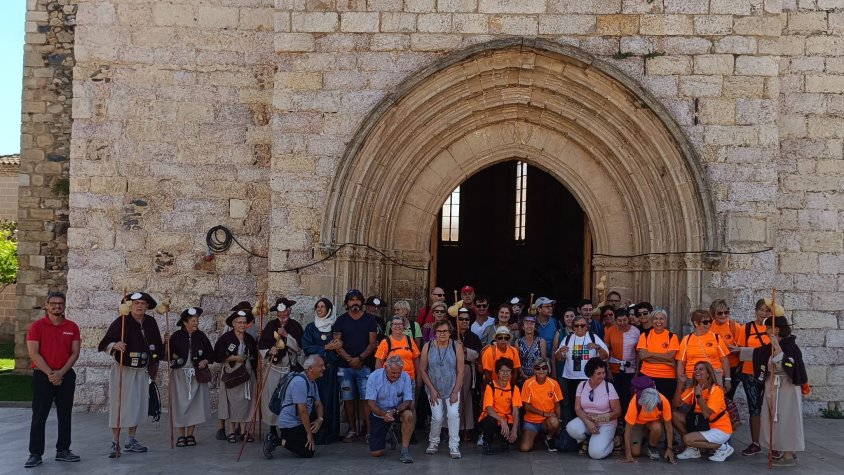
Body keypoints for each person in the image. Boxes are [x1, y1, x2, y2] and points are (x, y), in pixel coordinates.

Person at [98, 291, 163, 458]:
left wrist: (164, 346)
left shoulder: (151, 323)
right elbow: (105, 342)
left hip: (141, 371)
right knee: (120, 405)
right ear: (130, 306)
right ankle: (115, 442)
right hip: (123, 370)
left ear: (147, 306)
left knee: (136, 405)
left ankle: (131, 440)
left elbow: (156, 346)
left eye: (143, 303)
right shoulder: (122, 321)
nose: (139, 306)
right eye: (136, 303)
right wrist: (115, 344)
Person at [25, 291, 81, 468]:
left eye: (61, 304)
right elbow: (33, 353)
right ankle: (35, 454)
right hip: (43, 376)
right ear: (47, 305)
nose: (57, 306)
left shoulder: (72, 327)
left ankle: (63, 450)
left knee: (65, 414)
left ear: (64, 306)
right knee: (39, 415)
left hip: (65, 375)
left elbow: (75, 353)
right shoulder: (37, 326)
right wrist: (51, 373)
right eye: (54, 303)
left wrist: (60, 373)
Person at [757, 313, 807, 467]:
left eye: (768, 327)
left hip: (786, 388)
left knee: (787, 420)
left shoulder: (789, 346)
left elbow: (790, 365)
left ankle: (788, 456)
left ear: (776, 330)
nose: (766, 330)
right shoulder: (772, 345)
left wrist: (778, 348)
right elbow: (758, 355)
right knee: (776, 420)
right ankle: (787, 452)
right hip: (774, 387)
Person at [332, 289, 379, 443]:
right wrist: (350, 360)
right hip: (344, 367)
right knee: (348, 398)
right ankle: (352, 430)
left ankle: (369, 431)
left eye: (358, 300)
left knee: (367, 398)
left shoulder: (370, 320)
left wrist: (359, 358)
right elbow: (336, 344)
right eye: (352, 300)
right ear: (347, 303)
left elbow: (373, 344)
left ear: (362, 302)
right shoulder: (341, 320)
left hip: (364, 365)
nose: (355, 302)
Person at [259, 297, 304, 444]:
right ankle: (272, 428)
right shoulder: (270, 325)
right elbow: (261, 345)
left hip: (289, 368)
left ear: (289, 311)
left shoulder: (296, 326)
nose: (282, 315)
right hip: (274, 368)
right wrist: (269, 351)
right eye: (280, 313)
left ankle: (286, 427)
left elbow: (298, 346)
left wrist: (286, 336)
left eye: (285, 311)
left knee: (287, 399)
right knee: (272, 397)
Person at [167, 307, 214, 447]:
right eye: (193, 321)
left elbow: (210, 354)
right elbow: (166, 355)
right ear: (185, 322)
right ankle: (181, 435)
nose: (196, 323)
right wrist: (165, 343)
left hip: (196, 376)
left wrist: (205, 361)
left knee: (194, 405)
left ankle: (190, 434)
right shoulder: (175, 336)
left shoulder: (201, 336)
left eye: (197, 321)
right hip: (180, 376)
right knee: (180, 405)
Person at [419, 320, 464, 459]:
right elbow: (423, 369)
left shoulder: (456, 346)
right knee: (437, 417)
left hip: (452, 387)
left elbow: (460, 371)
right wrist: (431, 389)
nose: (442, 334)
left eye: (445, 331)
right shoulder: (428, 346)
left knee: (452, 415)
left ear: (450, 332)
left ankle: (454, 445)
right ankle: (433, 442)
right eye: (439, 331)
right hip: (434, 388)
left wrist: (456, 391)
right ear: (435, 333)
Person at [214, 308, 259, 443]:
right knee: (232, 403)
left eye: (244, 322)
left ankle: (245, 431)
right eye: (239, 322)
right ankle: (232, 430)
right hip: (232, 375)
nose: (242, 325)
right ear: (233, 324)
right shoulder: (226, 338)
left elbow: (255, 357)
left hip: (247, 374)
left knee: (246, 402)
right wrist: (233, 358)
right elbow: (217, 355)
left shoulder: (249, 339)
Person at [673, 361, 734, 462]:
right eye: (695, 369)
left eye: (701, 369)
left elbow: (706, 414)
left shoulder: (716, 390)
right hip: (702, 424)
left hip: (719, 429)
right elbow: (676, 404)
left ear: (708, 374)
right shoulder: (694, 388)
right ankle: (693, 449)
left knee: (687, 439)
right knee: (675, 415)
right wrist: (680, 384)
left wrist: (699, 396)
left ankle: (722, 447)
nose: (697, 371)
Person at [301, 298, 341, 445]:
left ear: (329, 309)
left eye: (322, 307)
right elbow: (306, 347)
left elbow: (340, 346)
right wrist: (324, 348)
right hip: (315, 373)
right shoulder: (311, 328)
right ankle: (316, 433)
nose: (319, 309)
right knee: (316, 400)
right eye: (317, 307)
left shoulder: (334, 328)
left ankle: (331, 433)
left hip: (330, 370)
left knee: (330, 400)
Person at [554, 315, 608, 422]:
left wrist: (597, 347)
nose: (579, 327)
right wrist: (560, 352)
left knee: (589, 404)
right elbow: (558, 358)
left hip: (589, 379)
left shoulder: (593, 337)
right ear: (573, 327)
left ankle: (590, 426)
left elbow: (605, 356)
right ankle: (575, 429)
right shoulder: (567, 338)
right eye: (576, 325)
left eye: (582, 325)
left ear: (587, 326)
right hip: (571, 378)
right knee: (574, 405)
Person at [735, 298, 772, 456]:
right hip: (750, 373)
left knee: (771, 408)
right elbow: (740, 350)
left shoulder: (773, 329)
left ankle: (774, 443)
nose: (764, 313)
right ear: (756, 311)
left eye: (767, 311)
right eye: (761, 310)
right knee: (754, 407)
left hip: (769, 373)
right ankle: (755, 442)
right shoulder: (747, 328)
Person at [271, 355, 326, 459]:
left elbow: (318, 404)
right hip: (290, 424)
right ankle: (277, 440)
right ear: (310, 368)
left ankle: (301, 439)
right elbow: (302, 411)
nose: (324, 368)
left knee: (326, 418)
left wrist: (320, 419)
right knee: (308, 452)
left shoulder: (313, 382)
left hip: (301, 421)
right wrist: (309, 434)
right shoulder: (299, 382)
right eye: (320, 365)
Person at [565, 358, 621, 459]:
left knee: (596, 454)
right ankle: (587, 440)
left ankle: (614, 441)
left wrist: (599, 418)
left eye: (604, 373)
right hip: (587, 420)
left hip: (606, 423)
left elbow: (617, 412)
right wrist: (589, 422)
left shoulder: (609, 387)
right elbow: (577, 409)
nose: (602, 376)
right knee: (571, 428)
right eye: (598, 373)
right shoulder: (582, 385)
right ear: (590, 374)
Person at [366, 355, 416, 463]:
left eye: (399, 372)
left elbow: (408, 401)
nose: (397, 375)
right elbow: (371, 402)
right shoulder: (374, 377)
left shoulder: (405, 376)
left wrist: (394, 411)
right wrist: (384, 414)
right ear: (385, 368)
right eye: (393, 372)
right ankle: (389, 430)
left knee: (408, 415)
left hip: (397, 410)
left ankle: (405, 451)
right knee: (376, 453)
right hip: (379, 412)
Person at [675, 309, 731, 395]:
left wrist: (727, 379)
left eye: (710, 321)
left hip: (713, 377)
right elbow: (681, 363)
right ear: (696, 323)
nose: (709, 324)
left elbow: (725, 359)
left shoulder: (716, 338)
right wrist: (681, 381)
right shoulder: (686, 340)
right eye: (705, 322)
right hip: (692, 378)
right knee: (690, 406)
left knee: (714, 405)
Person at [620, 380, 676, 464]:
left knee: (657, 428)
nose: (648, 410)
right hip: (637, 423)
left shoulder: (663, 401)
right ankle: (633, 440)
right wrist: (628, 456)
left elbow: (668, 426)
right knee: (635, 453)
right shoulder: (635, 402)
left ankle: (651, 447)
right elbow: (628, 431)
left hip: (653, 422)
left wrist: (670, 448)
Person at [478, 357, 522, 455]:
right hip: (493, 418)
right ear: (497, 372)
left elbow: (515, 411)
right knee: (490, 421)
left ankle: (503, 440)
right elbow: (489, 409)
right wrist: (501, 420)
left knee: (510, 440)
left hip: (507, 420)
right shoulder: (490, 386)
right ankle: (487, 443)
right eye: (502, 371)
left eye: (508, 371)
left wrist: (514, 430)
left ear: (511, 373)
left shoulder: (514, 389)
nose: (505, 373)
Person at [519, 357, 562, 453]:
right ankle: (536, 437)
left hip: (548, 420)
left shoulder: (554, 383)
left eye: (544, 367)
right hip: (531, 421)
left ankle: (549, 437)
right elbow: (527, 406)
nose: (541, 370)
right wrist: (543, 413)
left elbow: (557, 405)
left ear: (548, 369)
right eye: (538, 368)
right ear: (534, 370)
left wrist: (558, 421)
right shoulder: (528, 383)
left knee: (555, 422)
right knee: (524, 448)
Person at [636, 308, 680, 400]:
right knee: (646, 406)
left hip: (667, 378)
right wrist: (666, 360)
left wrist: (649, 354)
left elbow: (670, 356)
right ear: (652, 321)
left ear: (666, 321)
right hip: (646, 376)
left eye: (661, 318)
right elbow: (643, 357)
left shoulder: (672, 337)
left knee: (664, 405)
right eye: (656, 318)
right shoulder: (644, 336)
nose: (658, 321)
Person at [452, 307, 482, 436]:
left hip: (468, 369)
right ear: (457, 321)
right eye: (461, 319)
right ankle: (449, 428)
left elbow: (477, 355)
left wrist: (464, 349)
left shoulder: (473, 337)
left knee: (466, 398)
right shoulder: (451, 335)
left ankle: (465, 428)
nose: (464, 321)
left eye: (467, 319)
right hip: (452, 370)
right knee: (452, 398)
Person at [604, 307, 640, 412]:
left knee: (627, 394)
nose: (622, 323)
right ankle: (616, 419)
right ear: (615, 320)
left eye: (625, 320)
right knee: (615, 394)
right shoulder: (610, 330)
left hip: (630, 369)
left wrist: (637, 371)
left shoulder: (636, 331)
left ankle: (626, 421)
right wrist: (608, 369)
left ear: (629, 319)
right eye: (619, 320)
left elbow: (638, 353)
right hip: (614, 369)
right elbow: (605, 351)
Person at [375, 315, 421, 391]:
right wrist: (380, 380)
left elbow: (416, 360)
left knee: (410, 402)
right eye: (395, 324)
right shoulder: (385, 342)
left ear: (403, 326)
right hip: (390, 381)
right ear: (391, 326)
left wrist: (419, 377)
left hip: (409, 379)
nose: (397, 326)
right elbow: (379, 363)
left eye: (400, 324)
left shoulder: (410, 341)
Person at [709, 299, 742, 399]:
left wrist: (735, 350)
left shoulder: (734, 327)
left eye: (726, 312)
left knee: (727, 397)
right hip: (713, 368)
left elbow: (741, 348)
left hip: (732, 367)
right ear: (713, 314)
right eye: (720, 313)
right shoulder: (709, 326)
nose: (723, 315)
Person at [516, 315, 546, 381]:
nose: (529, 326)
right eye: (526, 323)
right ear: (523, 327)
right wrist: (523, 375)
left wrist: (536, 375)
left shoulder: (541, 341)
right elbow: (517, 362)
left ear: (535, 327)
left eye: (532, 323)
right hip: (522, 376)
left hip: (538, 376)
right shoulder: (518, 342)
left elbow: (543, 361)